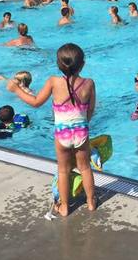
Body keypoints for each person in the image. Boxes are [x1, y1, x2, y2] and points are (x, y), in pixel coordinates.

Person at [7, 43, 97, 215]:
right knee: (85, 167)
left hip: (62, 133)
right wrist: (83, 126)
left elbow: (35, 102)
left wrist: (16, 90)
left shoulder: (54, 82)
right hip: (81, 131)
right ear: (83, 64)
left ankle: (64, 207)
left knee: (63, 170)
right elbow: (91, 109)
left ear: (58, 65)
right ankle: (91, 201)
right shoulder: (89, 83)